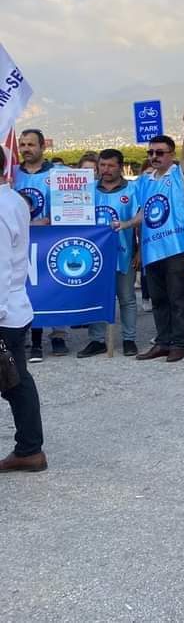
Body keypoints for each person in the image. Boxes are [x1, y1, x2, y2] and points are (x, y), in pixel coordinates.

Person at [119, 107, 184, 363]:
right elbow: (144, 212)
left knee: (177, 297)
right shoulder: (145, 179)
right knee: (158, 298)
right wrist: (126, 224)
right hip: (152, 248)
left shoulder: (179, 174)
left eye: (160, 152)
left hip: (176, 245)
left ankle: (179, 342)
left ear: (170, 155)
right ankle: (162, 341)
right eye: (150, 152)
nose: (154, 156)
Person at [0, 146, 47, 474]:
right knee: (15, 380)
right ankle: (29, 448)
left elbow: (0, 264)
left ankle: (30, 449)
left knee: (15, 381)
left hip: (5, 309)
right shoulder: (14, 200)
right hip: (13, 306)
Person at [79, 149, 140, 358]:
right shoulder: (88, 189)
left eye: (110, 166)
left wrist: (139, 252)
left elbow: (139, 219)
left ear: (120, 167)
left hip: (123, 253)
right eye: (102, 165)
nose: (105, 170)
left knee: (127, 298)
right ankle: (96, 340)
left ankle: (129, 339)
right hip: (93, 256)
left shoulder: (131, 190)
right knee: (95, 297)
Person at [14, 129, 66, 361]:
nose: (26, 149)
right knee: (25, 288)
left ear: (43, 147)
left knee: (54, 285)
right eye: (22, 144)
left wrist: (50, 219)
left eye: (31, 144)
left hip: (50, 240)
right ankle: (24, 335)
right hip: (20, 243)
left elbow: (71, 207)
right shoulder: (12, 174)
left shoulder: (58, 173)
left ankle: (58, 335)